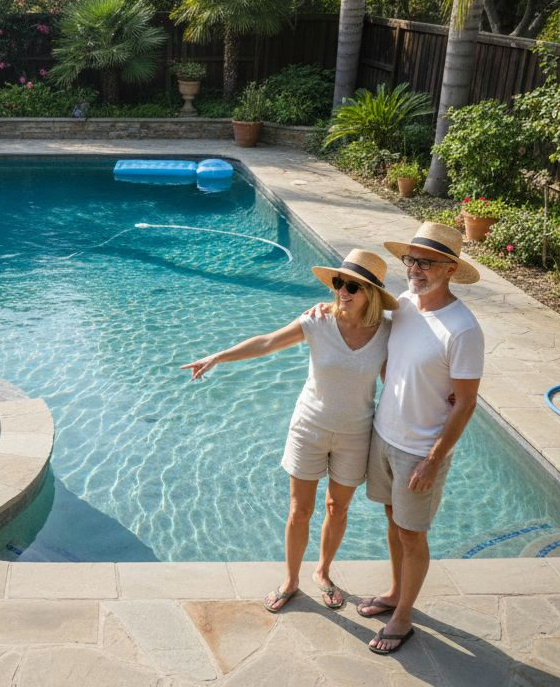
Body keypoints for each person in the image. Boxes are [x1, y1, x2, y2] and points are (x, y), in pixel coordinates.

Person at [182, 249, 397, 613]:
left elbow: (396, 379)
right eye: (339, 283)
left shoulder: (387, 332)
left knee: (338, 508)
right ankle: (291, 580)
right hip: (309, 428)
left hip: (355, 433)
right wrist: (217, 356)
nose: (342, 292)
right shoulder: (317, 321)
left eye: (352, 287)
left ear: (371, 293)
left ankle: (323, 573)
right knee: (300, 510)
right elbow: (268, 342)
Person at [356, 222, 484, 655]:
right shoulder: (405, 305)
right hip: (385, 436)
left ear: (450, 269)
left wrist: (433, 459)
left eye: (427, 262)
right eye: (412, 260)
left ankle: (405, 616)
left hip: (420, 451)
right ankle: (395, 593)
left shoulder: (463, 329)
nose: (415, 269)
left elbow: (466, 403)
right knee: (393, 521)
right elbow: (377, 344)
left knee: (413, 534)